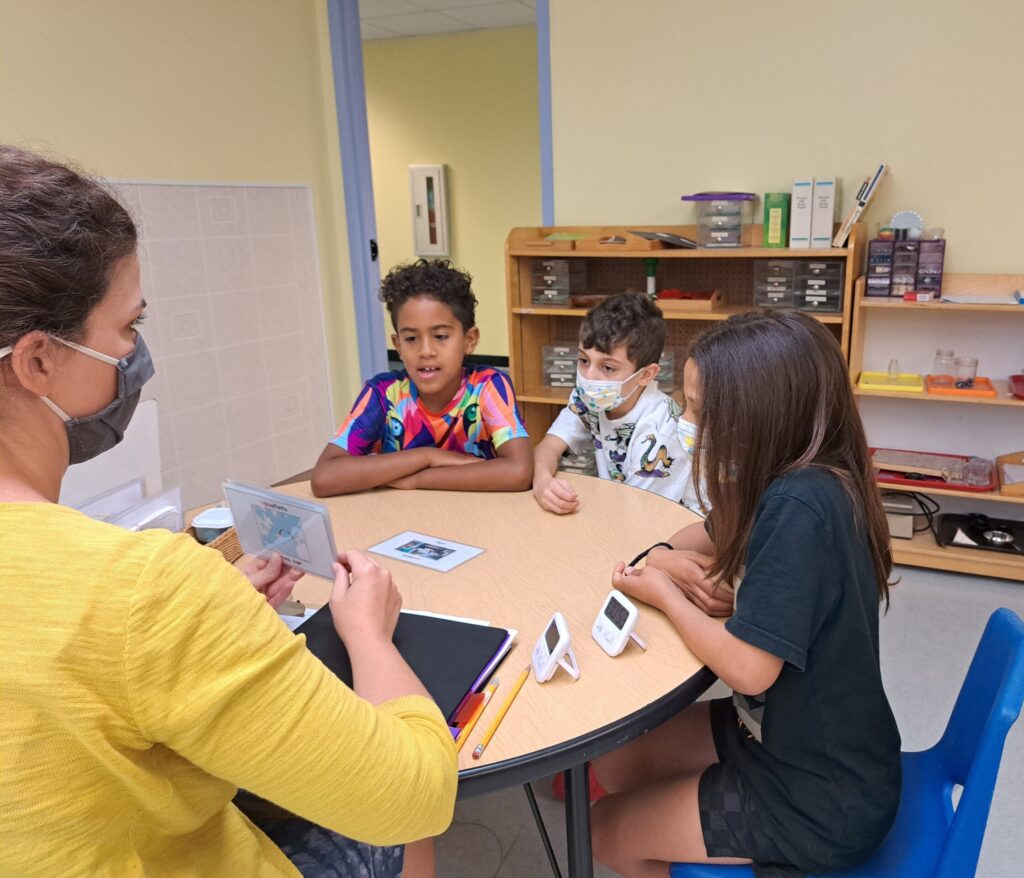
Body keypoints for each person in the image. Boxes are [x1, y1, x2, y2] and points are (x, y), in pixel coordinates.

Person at [0, 146, 456, 877]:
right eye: (125, 330)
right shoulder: (144, 590)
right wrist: (367, 633)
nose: (135, 357)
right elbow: (415, 794)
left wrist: (208, 602)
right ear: (37, 361)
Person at [590, 311, 902, 878]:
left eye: (699, 412)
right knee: (616, 757)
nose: (686, 424)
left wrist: (666, 591)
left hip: (819, 799)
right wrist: (661, 555)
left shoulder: (801, 507)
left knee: (608, 830)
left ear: (754, 419)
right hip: (779, 737)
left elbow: (750, 670)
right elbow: (708, 532)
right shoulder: (789, 476)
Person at [312, 259, 532, 496]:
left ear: (470, 340)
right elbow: (325, 477)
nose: (426, 351)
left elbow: (518, 471)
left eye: (440, 336)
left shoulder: (488, 387)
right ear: (397, 345)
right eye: (411, 339)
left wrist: (419, 479)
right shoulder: (383, 394)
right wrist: (428, 456)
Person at [532, 292, 699, 515]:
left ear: (646, 375)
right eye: (584, 361)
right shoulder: (588, 397)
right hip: (621, 515)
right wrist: (542, 480)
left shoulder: (660, 432)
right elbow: (549, 446)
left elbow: (636, 516)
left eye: (607, 368)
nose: (589, 376)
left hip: (666, 529)